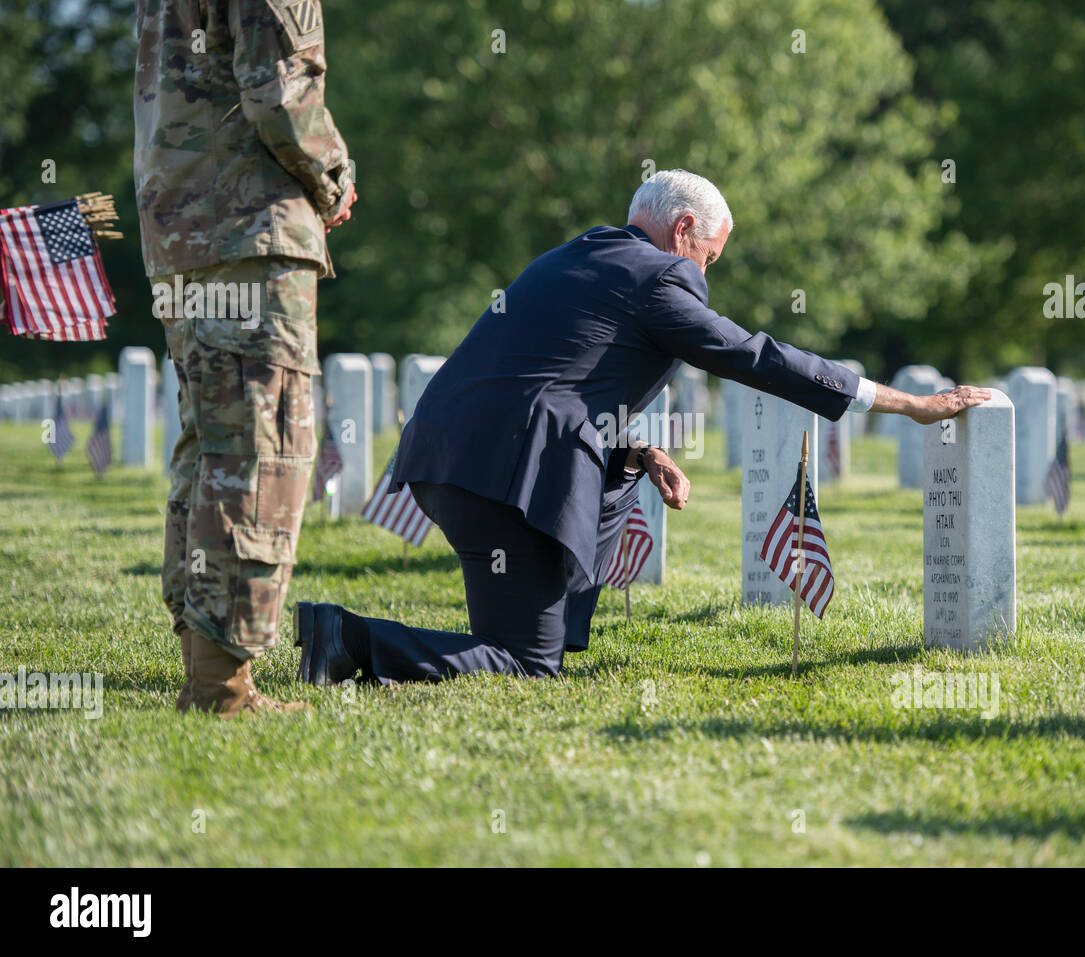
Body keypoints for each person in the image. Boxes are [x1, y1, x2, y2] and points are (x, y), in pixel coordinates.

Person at [294, 170, 987, 685]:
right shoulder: (661, 278)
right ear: (684, 231)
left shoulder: (580, 254)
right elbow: (756, 356)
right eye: (709, 257)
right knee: (527, 667)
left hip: (448, 460)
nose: (705, 272)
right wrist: (904, 403)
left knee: (544, 597)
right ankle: (345, 635)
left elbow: (551, 380)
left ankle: (529, 623)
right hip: (502, 475)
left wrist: (637, 449)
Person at [134, 0, 355, 717]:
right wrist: (335, 174)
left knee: (211, 449)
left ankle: (210, 670)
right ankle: (219, 689)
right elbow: (279, 91)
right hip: (247, 232)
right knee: (261, 452)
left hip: (181, 234)